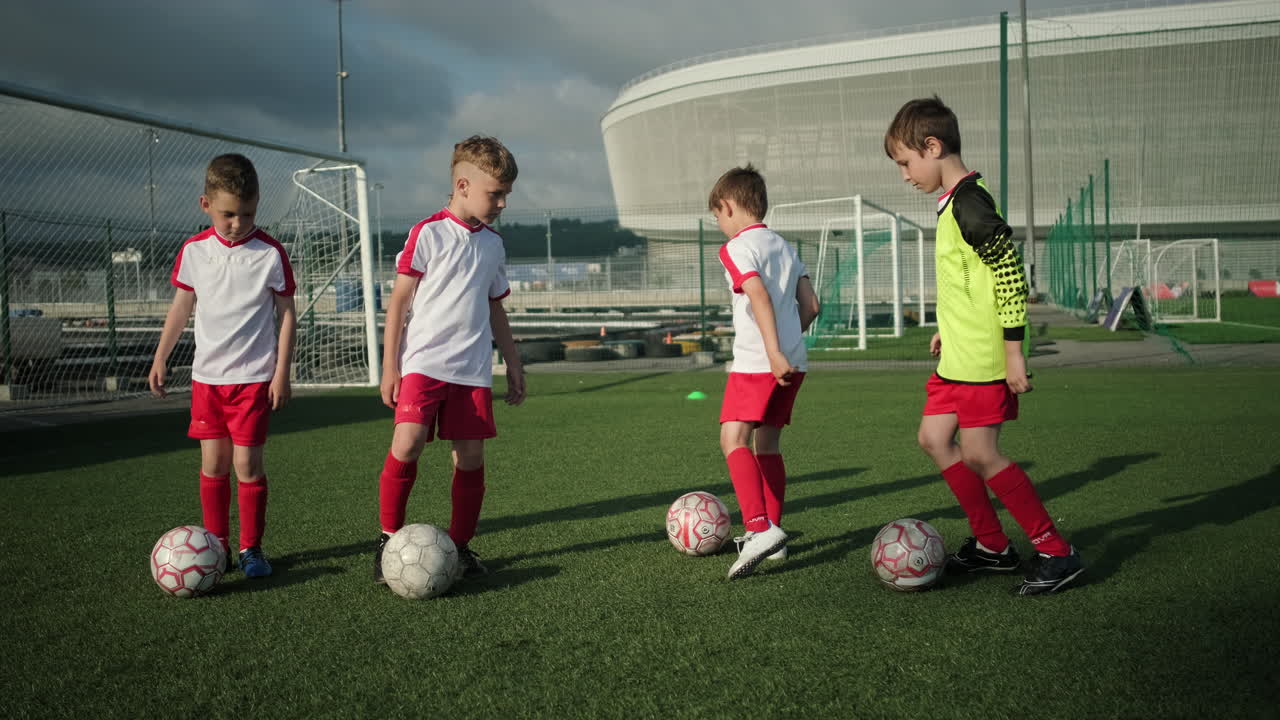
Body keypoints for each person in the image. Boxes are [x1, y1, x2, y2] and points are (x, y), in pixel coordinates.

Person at [884, 96, 1084, 595]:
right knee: (934, 438)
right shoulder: (953, 201)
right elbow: (970, 279)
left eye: (906, 163)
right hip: (959, 354)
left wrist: (1013, 352)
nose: (905, 176)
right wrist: (947, 328)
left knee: (980, 452)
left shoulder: (970, 202)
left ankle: (1056, 551)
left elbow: (1011, 274)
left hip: (984, 359)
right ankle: (993, 546)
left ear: (933, 147)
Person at [373, 136, 525, 584]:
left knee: (471, 458)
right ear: (462, 185)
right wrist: (390, 367)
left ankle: (459, 548)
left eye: (506, 194)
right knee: (408, 443)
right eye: (495, 193)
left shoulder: (493, 244)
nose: (502, 203)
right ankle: (387, 539)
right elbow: (399, 303)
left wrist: (513, 362)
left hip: (472, 371)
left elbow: (496, 307)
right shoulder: (428, 232)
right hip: (423, 364)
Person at [149, 153, 297, 579]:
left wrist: (281, 372)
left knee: (247, 466)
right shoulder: (194, 251)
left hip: (252, 380)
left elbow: (287, 314)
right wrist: (161, 355)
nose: (238, 223)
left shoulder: (269, 253)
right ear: (206, 205)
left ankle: (251, 548)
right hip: (207, 381)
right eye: (228, 214)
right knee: (213, 464)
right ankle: (216, 548)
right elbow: (181, 307)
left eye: (247, 214)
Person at [710, 164, 821, 580]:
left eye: (717, 216)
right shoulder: (785, 246)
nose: (719, 225)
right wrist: (787, 347)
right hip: (794, 361)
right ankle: (775, 538)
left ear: (728, 207)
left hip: (759, 362)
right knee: (768, 445)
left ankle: (759, 529)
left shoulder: (736, 247)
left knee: (732, 438)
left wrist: (772, 352)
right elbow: (811, 306)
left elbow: (756, 293)